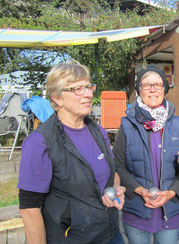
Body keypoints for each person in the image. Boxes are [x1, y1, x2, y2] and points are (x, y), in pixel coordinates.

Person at [17, 63, 126, 244]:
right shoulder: (40, 142)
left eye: (88, 87)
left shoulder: (98, 132)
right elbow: (30, 208)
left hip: (111, 234)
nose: (89, 94)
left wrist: (115, 187)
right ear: (57, 98)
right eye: (77, 89)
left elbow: (111, 173)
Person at [114, 65, 179, 244]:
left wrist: (171, 193)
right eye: (147, 85)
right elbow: (118, 165)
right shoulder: (126, 125)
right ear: (139, 90)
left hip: (170, 211)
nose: (153, 89)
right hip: (137, 210)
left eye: (158, 84)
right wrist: (139, 190)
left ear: (164, 89)